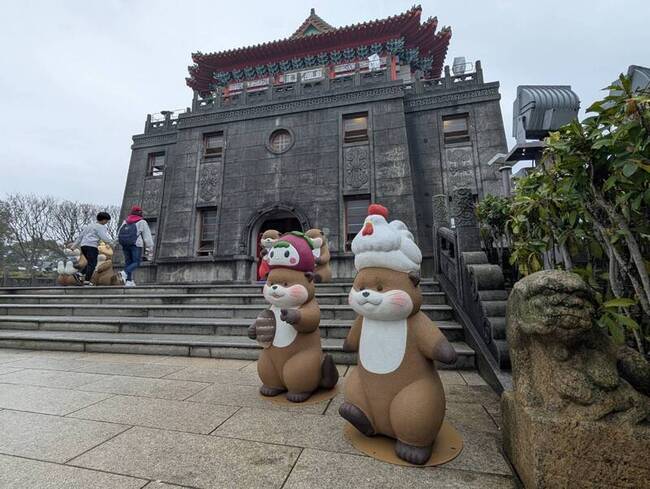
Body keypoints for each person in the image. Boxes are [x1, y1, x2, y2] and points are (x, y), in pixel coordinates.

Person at [71, 212, 113, 285]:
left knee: (90, 262)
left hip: (83, 246)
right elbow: (103, 237)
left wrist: (74, 246)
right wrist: (111, 242)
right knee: (93, 264)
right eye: (107, 221)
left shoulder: (89, 226)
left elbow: (80, 236)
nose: (106, 222)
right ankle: (86, 281)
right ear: (103, 220)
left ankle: (80, 274)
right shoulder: (100, 226)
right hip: (91, 246)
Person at [118, 205, 154, 287]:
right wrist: (150, 246)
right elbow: (147, 235)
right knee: (136, 262)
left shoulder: (126, 221)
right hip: (136, 244)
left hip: (125, 244)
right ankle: (124, 273)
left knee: (128, 262)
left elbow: (119, 232)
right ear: (140, 212)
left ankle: (129, 281)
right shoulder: (142, 222)